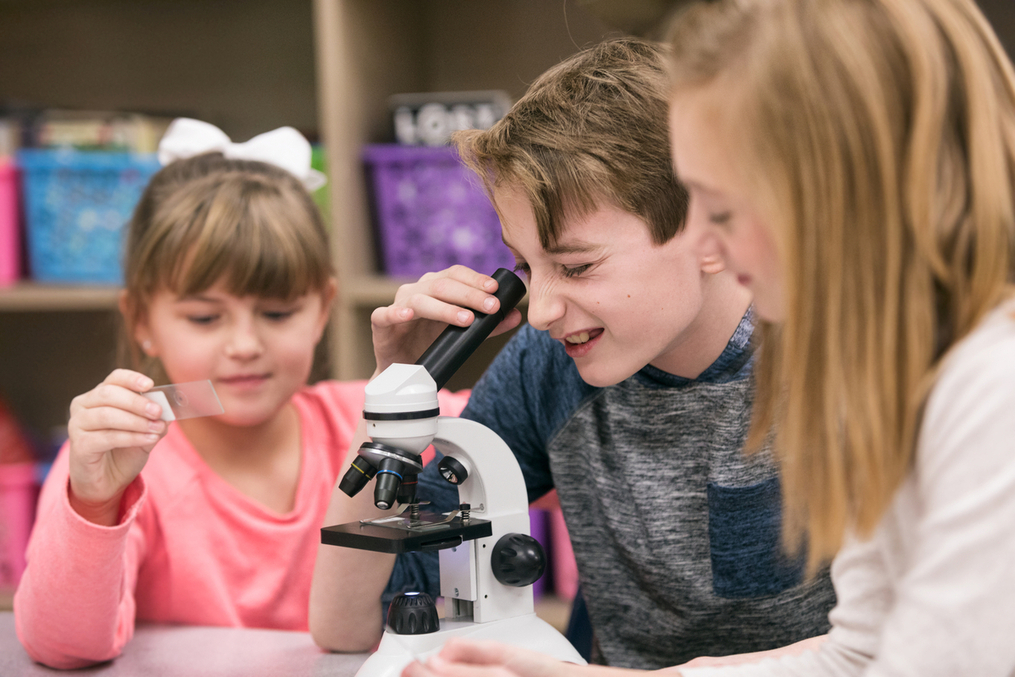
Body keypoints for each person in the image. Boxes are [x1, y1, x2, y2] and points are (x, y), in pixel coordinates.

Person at [400, 0, 1015, 675]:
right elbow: (856, 652)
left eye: (722, 208)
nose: (705, 242)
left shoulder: (984, 389)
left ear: (834, 187)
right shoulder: (894, 366)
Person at [309, 38, 835, 669]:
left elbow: (912, 643)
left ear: (714, 231)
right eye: (527, 265)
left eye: (577, 265)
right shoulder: (546, 365)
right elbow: (343, 625)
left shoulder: (843, 361)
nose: (539, 311)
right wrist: (395, 397)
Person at [12, 118, 470, 670]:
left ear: (323, 307)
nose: (245, 345)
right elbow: (62, 647)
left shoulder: (372, 414)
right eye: (205, 317)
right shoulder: (117, 463)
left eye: (277, 313)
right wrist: (94, 501)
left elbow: (528, 438)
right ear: (141, 319)